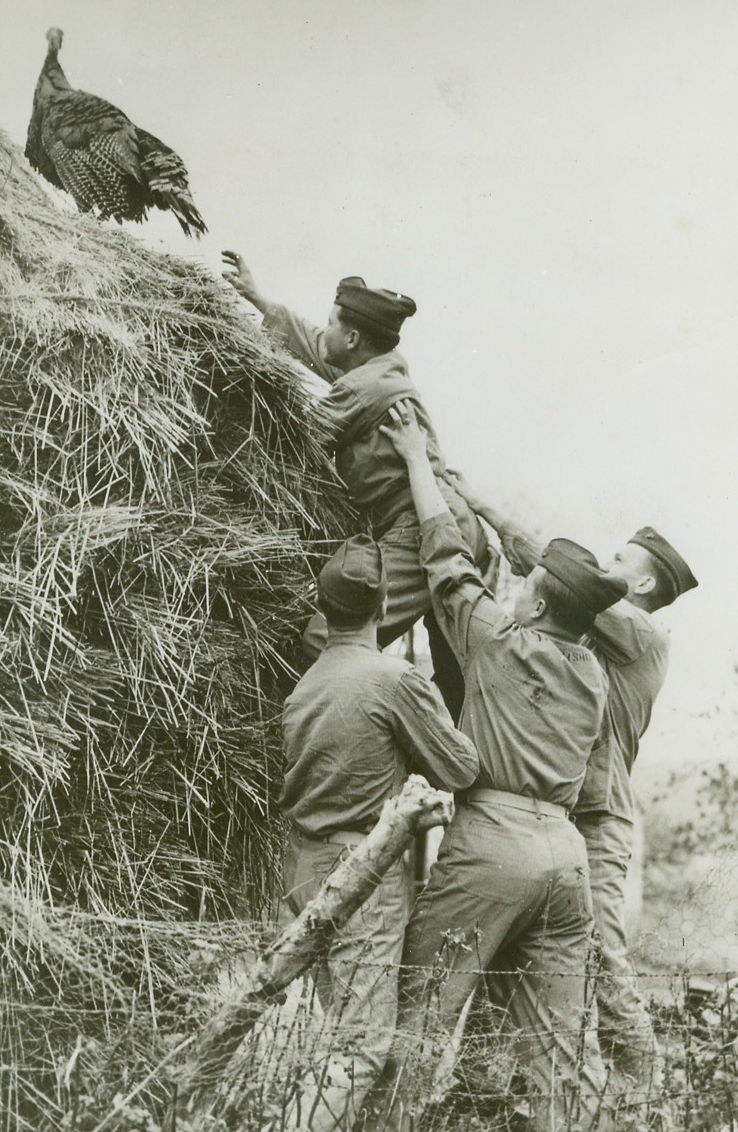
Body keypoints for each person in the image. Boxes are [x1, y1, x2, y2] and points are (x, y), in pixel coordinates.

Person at [369, 400, 628, 1132]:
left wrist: (418, 460)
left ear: (538, 600)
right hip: (567, 859)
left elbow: (445, 559)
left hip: (493, 846)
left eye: (526, 584)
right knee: (562, 1058)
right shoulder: (591, 673)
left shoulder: (499, 642)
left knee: (418, 1020)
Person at [448, 470, 698, 1114]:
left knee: (602, 957)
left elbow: (545, 566)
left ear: (641, 584)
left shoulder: (642, 635)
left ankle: (648, 1097)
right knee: (510, 950)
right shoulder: (599, 640)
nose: (605, 565)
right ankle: (488, 1093)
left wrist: (472, 498)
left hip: (597, 822)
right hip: (558, 821)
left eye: (618, 560)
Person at [221, 250, 494, 720]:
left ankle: (326, 726)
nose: (323, 331)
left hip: (419, 529)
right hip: (447, 522)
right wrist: (259, 300)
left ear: (352, 337)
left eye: (331, 323)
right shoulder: (383, 365)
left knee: (328, 636)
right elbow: (325, 352)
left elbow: (292, 437)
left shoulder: (362, 388)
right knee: (456, 672)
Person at [279, 533, 480, 1132]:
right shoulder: (392, 680)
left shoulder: (307, 684)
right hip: (360, 878)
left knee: (343, 1036)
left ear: (324, 605)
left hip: (306, 869)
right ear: (386, 600)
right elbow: (461, 766)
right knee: (361, 1050)